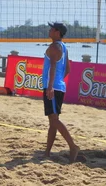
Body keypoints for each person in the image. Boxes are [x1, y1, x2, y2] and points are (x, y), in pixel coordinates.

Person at [43, 22, 82, 163]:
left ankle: (73, 146)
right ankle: (47, 152)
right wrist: (58, 82)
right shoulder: (63, 47)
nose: (49, 30)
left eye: (52, 29)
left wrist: (50, 86)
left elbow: (53, 67)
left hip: (53, 87)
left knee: (54, 120)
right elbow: (68, 69)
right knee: (52, 121)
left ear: (57, 32)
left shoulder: (54, 47)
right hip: (59, 86)